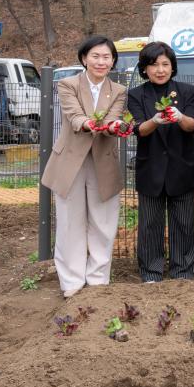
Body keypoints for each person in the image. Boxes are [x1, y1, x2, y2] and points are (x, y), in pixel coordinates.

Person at [41, 35, 128, 299]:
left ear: (113, 62)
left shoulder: (119, 91)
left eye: (106, 57)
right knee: (70, 221)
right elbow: (74, 115)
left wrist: (113, 126)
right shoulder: (68, 84)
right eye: (95, 56)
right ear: (84, 59)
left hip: (103, 160)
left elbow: (113, 119)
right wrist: (89, 123)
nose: (101, 62)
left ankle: (98, 280)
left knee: (103, 222)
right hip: (70, 160)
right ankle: (71, 281)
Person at [125, 41, 194, 282]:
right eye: (153, 64)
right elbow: (139, 129)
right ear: (144, 69)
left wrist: (179, 117)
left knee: (183, 223)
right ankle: (151, 272)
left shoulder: (187, 91)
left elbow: (192, 126)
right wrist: (156, 120)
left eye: (165, 64)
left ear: (172, 66)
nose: (160, 69)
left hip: (182, 168)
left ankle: (183, 271)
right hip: (151, 168)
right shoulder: (136, 95)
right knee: (149, 225)